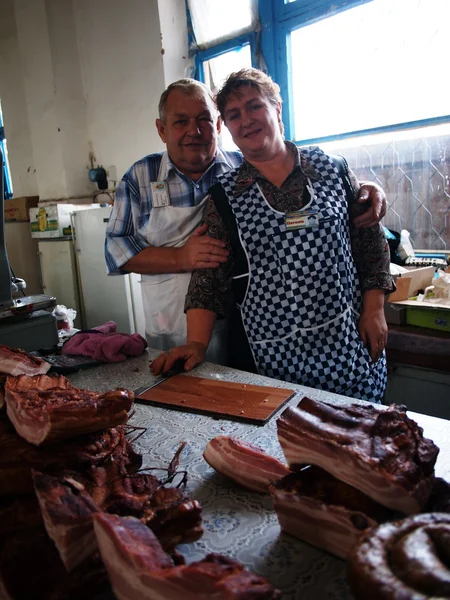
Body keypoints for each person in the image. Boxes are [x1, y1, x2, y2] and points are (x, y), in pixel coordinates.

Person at [151, 69, 394, 403]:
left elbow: (370, 243)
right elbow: (209, 275)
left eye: (254, 107)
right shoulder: (226, 197)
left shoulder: (332, 170)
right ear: (228, 127)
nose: (246, 120)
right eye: (234, 115)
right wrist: (196, 344)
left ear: (277, 109)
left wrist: (375, 309)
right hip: (272, 365)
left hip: (349, 350)